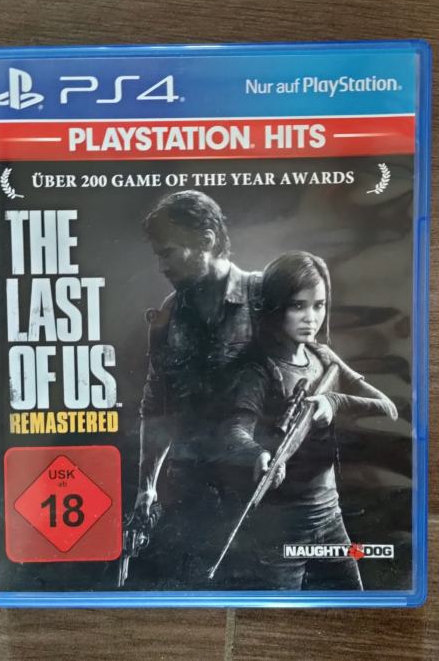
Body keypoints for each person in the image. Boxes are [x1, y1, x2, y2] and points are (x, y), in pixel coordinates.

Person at [219, 251, 398, 590]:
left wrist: (334, 401)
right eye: (298, 306)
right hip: (280, 526)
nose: (311, 318)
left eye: (319, 306)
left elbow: (387, 407)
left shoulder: (322, 356)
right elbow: (234, 430)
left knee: (354, 604)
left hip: (330, 514)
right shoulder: (257, 370)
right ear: (274, 307)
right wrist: (257, 454)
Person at [132, 189, 261, 587]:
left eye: (169, 253)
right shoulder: (167, 317)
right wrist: (146, 488)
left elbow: (311, 373)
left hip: (264, 488)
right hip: (190, 492)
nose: (161, 266)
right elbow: (157, 408)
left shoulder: (264, 296)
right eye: (158, 255)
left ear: (206, 240)